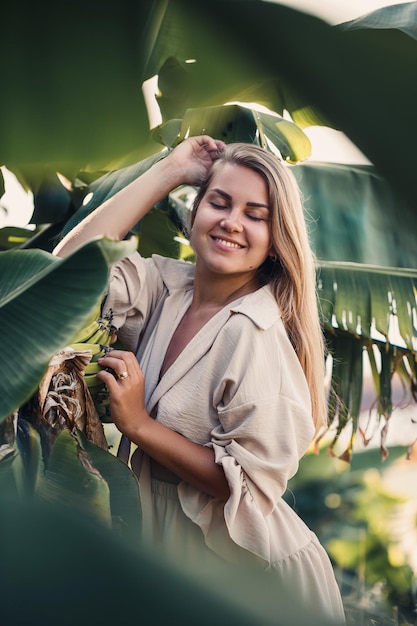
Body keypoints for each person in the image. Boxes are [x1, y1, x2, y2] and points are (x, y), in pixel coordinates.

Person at [54, 136, 345, 624]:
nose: (232, 222)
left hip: (251, 575)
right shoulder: (167, 288)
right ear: (195, 213)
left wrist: (140, 425)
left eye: (257, 214)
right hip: (166, 546)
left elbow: (247, 489)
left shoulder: (254, 334)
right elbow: (64, 272)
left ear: (277, 240)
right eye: (220, 202)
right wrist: (169, 171)